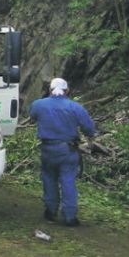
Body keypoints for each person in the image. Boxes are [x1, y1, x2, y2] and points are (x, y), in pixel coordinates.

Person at [29, 78, 96, 226]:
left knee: (49, 179)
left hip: (48, 149)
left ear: (50, 90)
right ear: (67, 91)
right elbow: (89, 128)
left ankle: (50, 211)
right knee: (68, 181)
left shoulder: (39, 105)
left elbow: (32, 116)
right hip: (68, 150)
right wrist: (90, 139)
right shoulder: (75, 107)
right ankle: (70, 217)